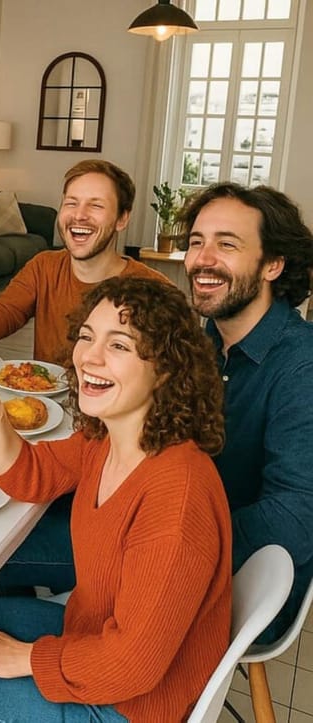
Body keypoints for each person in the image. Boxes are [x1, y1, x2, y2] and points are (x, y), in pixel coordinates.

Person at [0, 277, 231, 723]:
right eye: (87, 336)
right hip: (86, 637)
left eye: (119, 346)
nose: (89, 357)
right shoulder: (108, 438)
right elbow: (32, 476)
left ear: (165, 367)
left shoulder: (176, 497)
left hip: (123, 705)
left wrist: (25, 659)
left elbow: (131, 667)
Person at [183, 182, 313, 643]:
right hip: (182, 534)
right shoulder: (210, 339)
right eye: (197, 242)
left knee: (10, 552)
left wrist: (174, 536)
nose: (203, 258)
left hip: (239, 587)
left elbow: (296, 516)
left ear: (273, 265)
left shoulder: (303, 365)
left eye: (227, 244)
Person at [0, 159, 168, 364]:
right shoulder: (44, 267)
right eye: (71, 203)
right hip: (49, 404)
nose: (79, 215)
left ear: (122, 219)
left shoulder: (155, 289)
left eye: (96, 205)